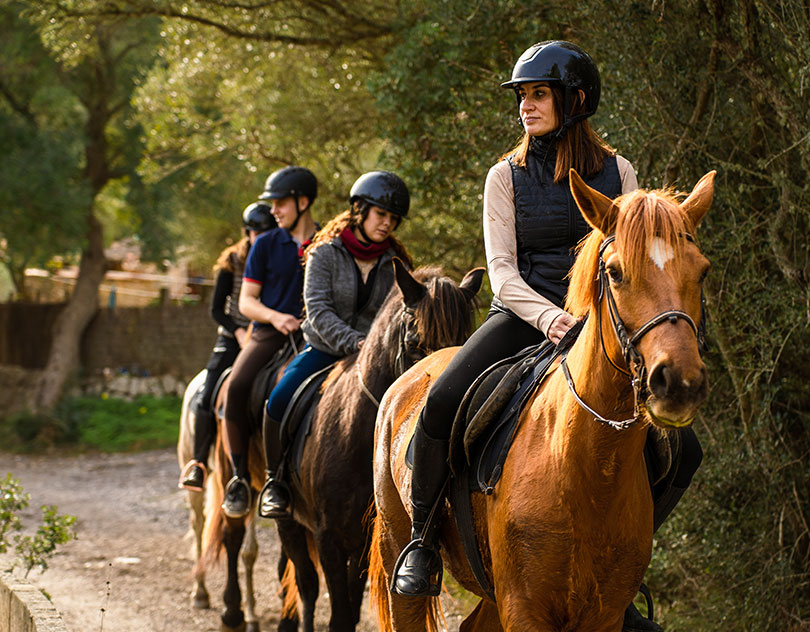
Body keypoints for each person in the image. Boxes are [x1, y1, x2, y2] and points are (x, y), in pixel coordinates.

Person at [258, 170, 414, 518]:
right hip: (325, 350)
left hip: (378, 362)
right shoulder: (324, 253)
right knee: (279, 399)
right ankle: (276, 482)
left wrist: (375, 350)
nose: (387, 223)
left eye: (393, 218)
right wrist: (358, 342)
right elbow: (318, 311)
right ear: (360, 210)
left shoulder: (396, 263)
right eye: (380, 214)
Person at [221, 166, 319, 519]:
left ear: (303, 202)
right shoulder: (264, 244)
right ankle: (239, 478)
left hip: (315, 335)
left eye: (280, 203)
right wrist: (276, 317)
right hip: (268, 332)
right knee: (236, 386)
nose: (274, 210)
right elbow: (246, 301)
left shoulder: (327, 242)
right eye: (273, 204)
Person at [178, 202, 276, 491]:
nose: (262, 238)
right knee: (208, 392)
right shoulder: (231, 262)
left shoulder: (279, 260)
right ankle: (197, 462)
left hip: (268, 334)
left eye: (267, 232)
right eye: (257, 233)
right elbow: (216, 310)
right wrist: (237, 330)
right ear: (247, 233)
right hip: (234, 337)